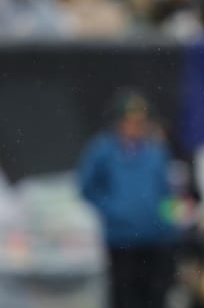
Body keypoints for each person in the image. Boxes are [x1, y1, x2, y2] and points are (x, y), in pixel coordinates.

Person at [77, 88, 180, 308]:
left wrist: (170, 226)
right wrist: (112, 209)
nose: (135, 127)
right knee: (125, 296)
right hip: (122, 239)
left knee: (155, 295)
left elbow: (166, 193)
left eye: (140, 122)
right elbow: (87, 187)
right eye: (130, 121)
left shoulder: (155, 151)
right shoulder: (103, 150)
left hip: (155, 238)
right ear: (119, 122)